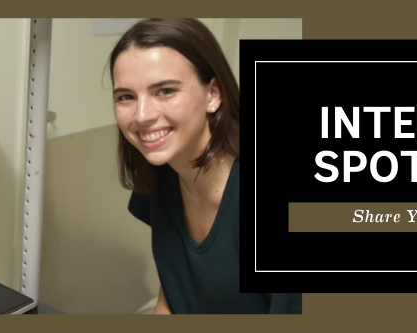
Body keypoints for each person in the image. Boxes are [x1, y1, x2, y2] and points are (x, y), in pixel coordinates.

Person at [109, 18, 301, 314]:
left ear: (213, 94)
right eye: (126, 97)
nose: (142, 114)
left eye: (165, 91)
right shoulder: (162, 173)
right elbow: (172, 291)